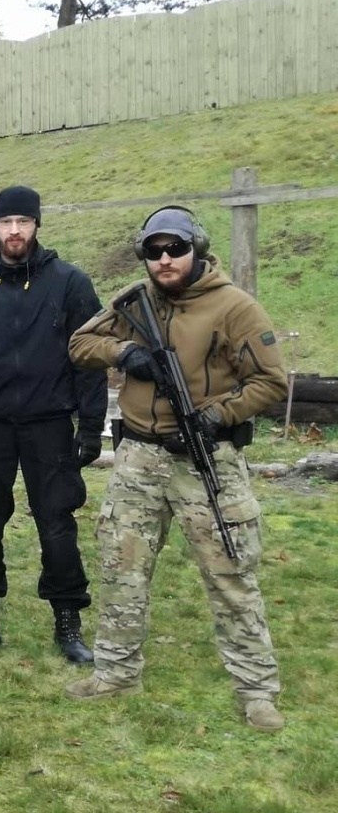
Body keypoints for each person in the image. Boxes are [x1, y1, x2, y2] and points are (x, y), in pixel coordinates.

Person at [66, 207, 287, 730]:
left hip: (207, 459)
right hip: (139, 457)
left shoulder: (236, 307)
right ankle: (116, 672)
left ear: (198, 249)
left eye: (176, 249)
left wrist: (218, 414)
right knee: (122, 566)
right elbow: (79, 344)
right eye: (154, 251)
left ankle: (256, 690)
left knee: (230, 571)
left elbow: (271, 381)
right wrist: (125, 352)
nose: (165, 260)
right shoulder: (133, 302)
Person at [0, 186, 105, 664]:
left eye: (23, 222)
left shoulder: (70, 283)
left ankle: (68, 619)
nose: (15, 231)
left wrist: (90, 428)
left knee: (57, 524)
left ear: (37, 226)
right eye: (6, 221)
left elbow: (88, 359)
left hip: (49, 424)